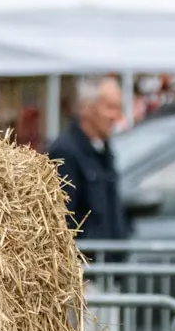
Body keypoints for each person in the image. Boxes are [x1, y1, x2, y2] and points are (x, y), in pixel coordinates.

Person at [48, 76, 130, 243]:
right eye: (110, 107)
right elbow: (62, 222)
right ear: (86, 107)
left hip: (109, 264)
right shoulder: (64, 152)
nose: (116, 117)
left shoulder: (104, 151)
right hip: (85, 265)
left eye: (118, 108)